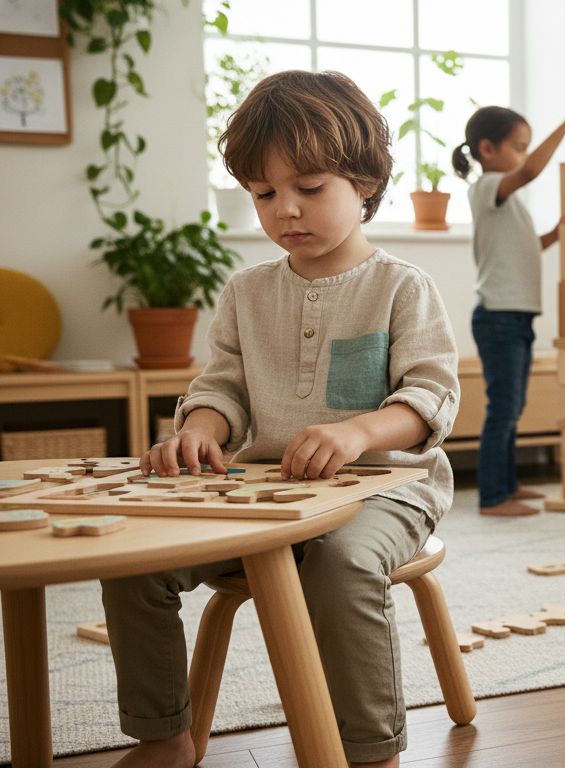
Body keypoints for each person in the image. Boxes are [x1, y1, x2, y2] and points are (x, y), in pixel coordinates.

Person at [100, 70, 459, 768]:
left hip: (383, 489)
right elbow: (223, 385)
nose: (285, 210)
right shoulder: (246, 291)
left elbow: (429, 399)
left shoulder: (401, 287)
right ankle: (165, 735)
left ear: (364, 183)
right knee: (132, 558)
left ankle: (367, 749)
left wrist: (357, 432)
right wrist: (200, 428)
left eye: (310, 188)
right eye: (264, 194)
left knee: (342, 562)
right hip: (261, 489)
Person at [452, 99, 565, 516]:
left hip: (514, 317)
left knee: (513, 407)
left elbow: (530, 248)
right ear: (487, 149)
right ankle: (493, 496)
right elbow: (529, 171)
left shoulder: (509, 203)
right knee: (504, 407)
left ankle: (507, 487)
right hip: (499, 316)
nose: (524, 156)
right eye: (519, 146)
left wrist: (558, 231)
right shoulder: (485, 189)